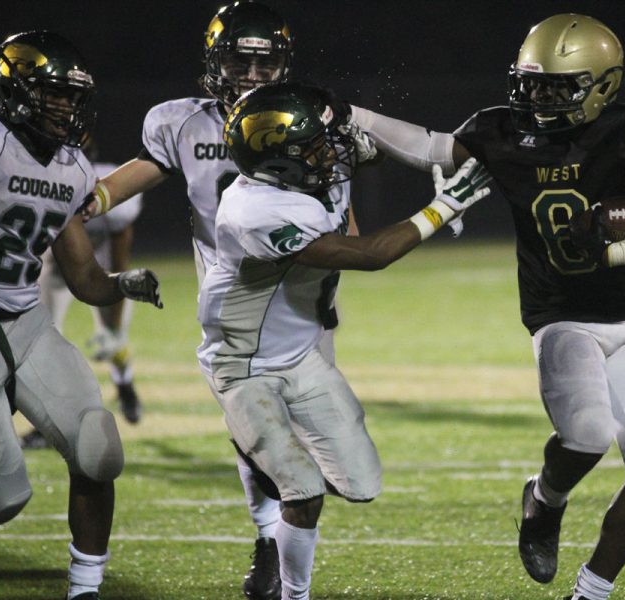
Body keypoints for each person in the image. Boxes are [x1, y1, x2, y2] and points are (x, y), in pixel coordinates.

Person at [347, 13, 625, 600]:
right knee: (590, 434)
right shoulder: (500, 132)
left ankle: (591, 592)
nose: (540, 97)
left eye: (558, 86)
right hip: (559, 314)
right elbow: (430, 148)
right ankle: (544, 501)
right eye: (531, 83)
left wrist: (617, 249)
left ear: (604, 86)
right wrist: (354, 115)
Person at [80, 3, 373, 597]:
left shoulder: (306, 120)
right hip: (234, 302)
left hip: (299, 300)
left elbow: (348, 230)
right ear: (216, 60)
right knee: (256, 429)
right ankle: (270, 540)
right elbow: (139, 172)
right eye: (241, 58)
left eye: (267, 62)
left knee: (309, 439)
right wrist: (88, 199)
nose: (254, 73)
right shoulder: (183, 123)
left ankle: (284, 533)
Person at [203, 80, 490, 600]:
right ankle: (294, 591)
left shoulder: (304, 178)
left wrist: (357, 148)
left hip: (300, 356)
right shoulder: (253, 210)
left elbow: (349, 167)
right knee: (304, 489)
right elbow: (367, 255)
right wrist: (440, 209)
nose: (330, 151)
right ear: (280, 161)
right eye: (315, 145)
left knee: (361, 484)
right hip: (245, 366)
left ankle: (271, 463)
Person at [0, 31, 163, 600]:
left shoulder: (70, 169)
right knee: (2, 496)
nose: (66, 107)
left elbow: (84, 277)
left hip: (24, 318)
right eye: (52, 94)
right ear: (14, 90)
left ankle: (85, 590)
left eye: (71, 97)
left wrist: (122, 285)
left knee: (97, 444)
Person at [21, 140, 145, 451]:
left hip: (99, 267)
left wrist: (114, 327)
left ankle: (124, 383)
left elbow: (120, 260)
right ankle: (43, 423)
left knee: (114, 339)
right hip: (54, 265)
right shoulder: (40, 179)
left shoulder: (108, 195)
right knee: (41, 341)